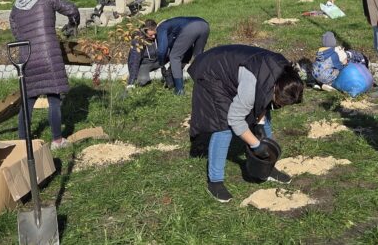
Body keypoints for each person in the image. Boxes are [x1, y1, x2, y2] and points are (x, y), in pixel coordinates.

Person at [188, 44, 305, 202]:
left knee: (263, 119)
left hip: (237, 70)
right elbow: (235, 119)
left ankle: (268, 168)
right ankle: (215, 182)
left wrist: (261, 121)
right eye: (280, 103)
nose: (280, 107)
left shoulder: (284, 74)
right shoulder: (253, 84)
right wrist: (256, 145)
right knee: (223, 127)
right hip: (211, 71)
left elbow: (265, 102)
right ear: (274, 89)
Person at [9, 0, 81, 150]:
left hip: (26, 57)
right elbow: (72, 9)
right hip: (48, 54)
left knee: (28, 101)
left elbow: (16, 33)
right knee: (54, 98)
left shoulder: (15, 8)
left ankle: (22, 141)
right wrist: (72, 25)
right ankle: (57, 140)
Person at [156, 16, 211, 95]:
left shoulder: (161, 27)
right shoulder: (176, 23)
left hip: (190, 28)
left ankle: (179, 90)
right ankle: (206, 83)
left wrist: (161, 63)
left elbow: (162, 50)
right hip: (204, 25)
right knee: (199, 56)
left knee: (174, 57)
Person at [126, 19, 160, 88]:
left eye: (154, 34)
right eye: (151, 35)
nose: (154, 37)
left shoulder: (158, 34)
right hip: (145, 63)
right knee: (142, 80)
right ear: (145, 31)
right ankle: (135, 79)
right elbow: (134, 61)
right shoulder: (138, 40)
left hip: (159, 60)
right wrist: (131, 81)